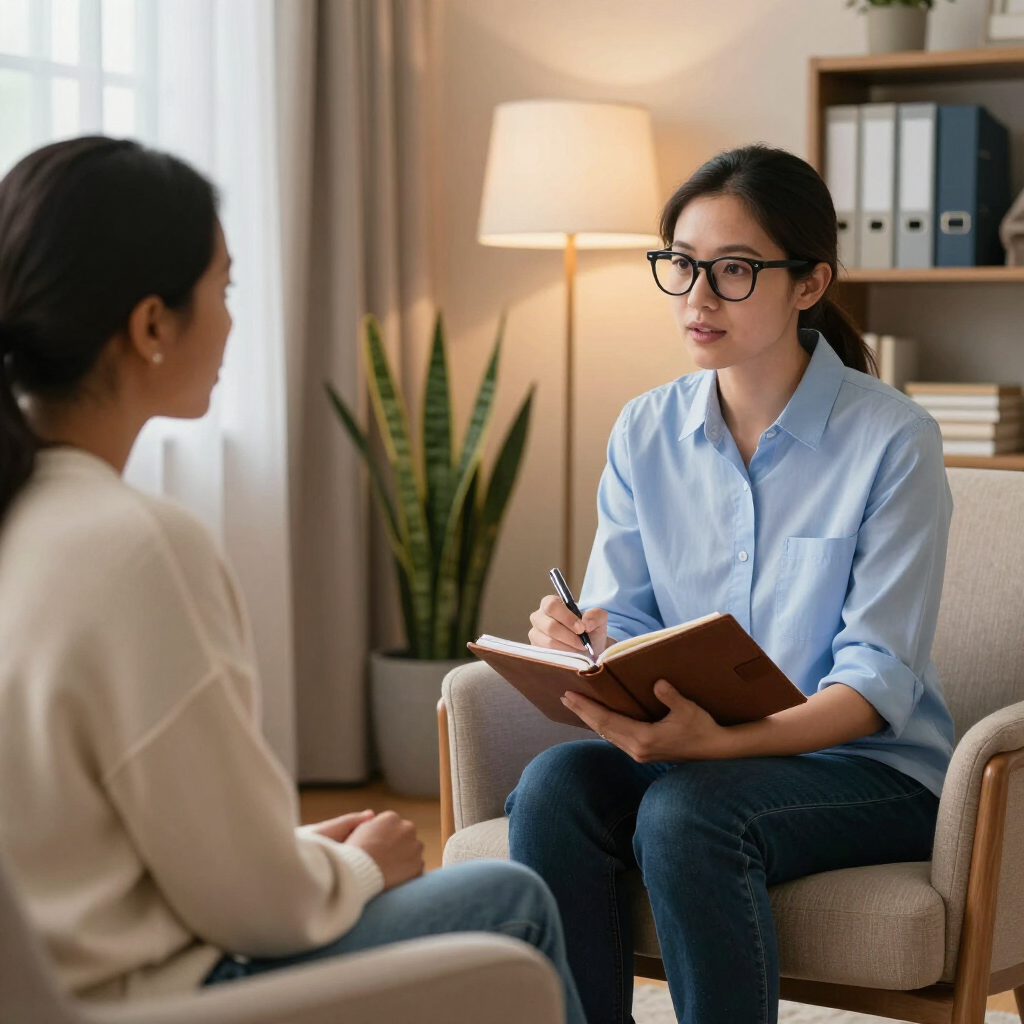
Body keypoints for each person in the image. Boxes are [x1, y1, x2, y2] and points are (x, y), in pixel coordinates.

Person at [0, 136, 585, 1023]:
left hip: (45, 977)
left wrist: (298, 851)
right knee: (511, 900)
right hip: (136, 998)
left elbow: (121, 838)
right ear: (152, 325)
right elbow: (260, 911)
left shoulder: (30, 516)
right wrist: (357, 865)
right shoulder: (136, 547)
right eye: (225, 289)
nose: (232, 321)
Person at [510, 144, 954, 1024]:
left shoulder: (894, 440)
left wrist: (717, 746)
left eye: (735, 269)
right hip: (698, 752)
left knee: (688, 815)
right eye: (682, 265)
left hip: (864, 771)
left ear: (810, 283)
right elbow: (625, 617)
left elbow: (874, 685)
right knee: (555, 787)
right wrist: (580, 640)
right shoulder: (645, 430)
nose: (698, 297)